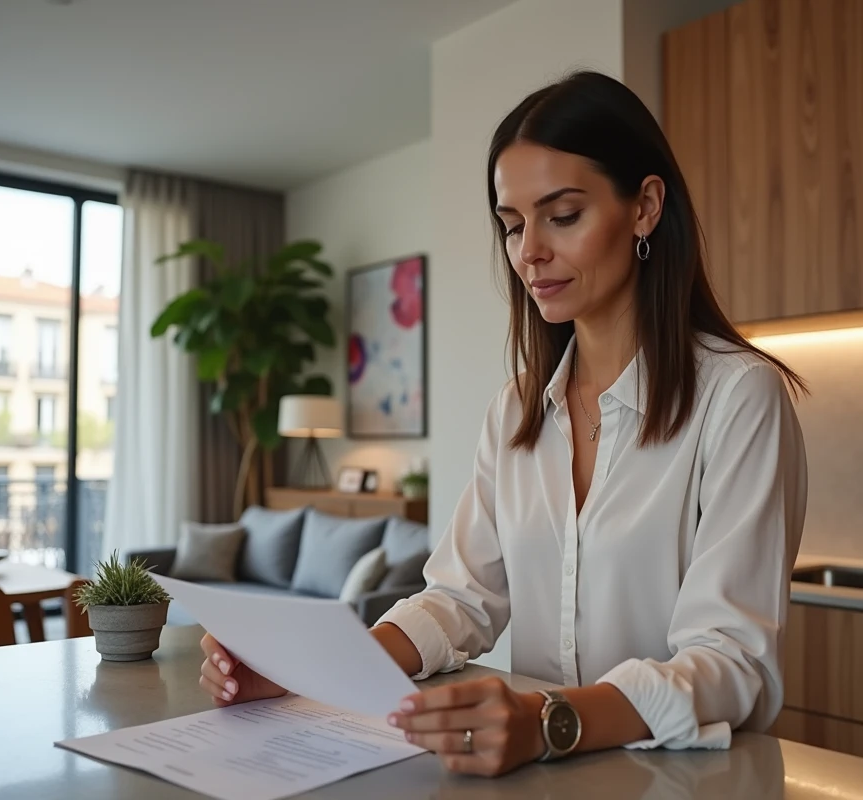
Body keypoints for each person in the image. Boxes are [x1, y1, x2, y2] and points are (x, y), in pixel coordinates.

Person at [199, 70, 808, 778]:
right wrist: (307, 672)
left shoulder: (740, 398)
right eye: (513, 225)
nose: (529, 252)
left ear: (644, 207)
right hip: (538, 776)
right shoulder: (517, 411)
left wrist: (550, 721)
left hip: (677, 780)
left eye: (563, 215)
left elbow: (733, 662)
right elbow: (460, 598)